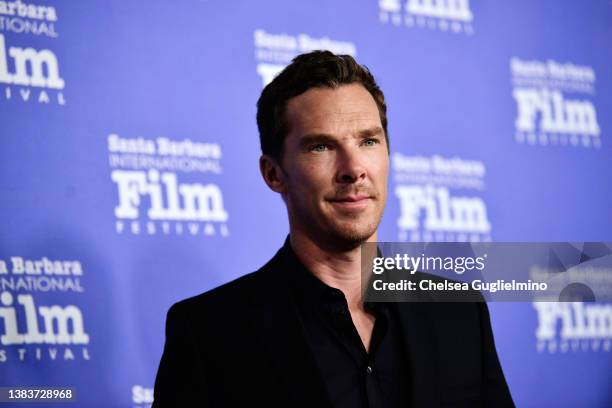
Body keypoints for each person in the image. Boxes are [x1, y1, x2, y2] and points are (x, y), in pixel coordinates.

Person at [153, 50, 514, 407]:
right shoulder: (208, 333)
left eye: (368, 141)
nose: (353, 168)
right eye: (321, 146)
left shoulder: (459, 313)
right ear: (273, 173)